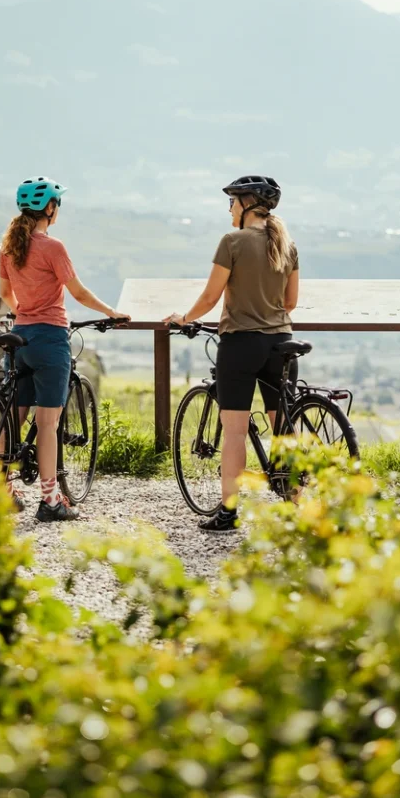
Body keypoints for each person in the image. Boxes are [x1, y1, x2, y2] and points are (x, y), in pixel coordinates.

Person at [164, 175, 299, 532]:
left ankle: (228, 511)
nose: (229, 208)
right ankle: (299, 500)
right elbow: (290, 303)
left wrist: (184, 318)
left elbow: (210, 297)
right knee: (283, 424)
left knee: (235, 431)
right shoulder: (287, 244)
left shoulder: (232, 242)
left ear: (245, 205)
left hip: (242, 344)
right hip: (282, 342)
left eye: (232, 202)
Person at [0, 177, 129, 523]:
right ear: (51, 209)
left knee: (14, 415)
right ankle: (51, 499)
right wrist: (111, 312)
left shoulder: (10, 248)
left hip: (20, 336)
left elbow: (7, 295)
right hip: (49, 338)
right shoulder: (52, 248)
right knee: (48, 422)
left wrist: (22, 312)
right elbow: (79, 293)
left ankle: (2, 490)